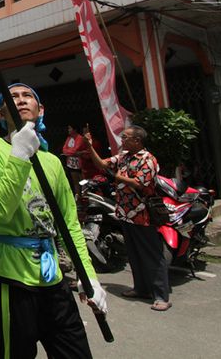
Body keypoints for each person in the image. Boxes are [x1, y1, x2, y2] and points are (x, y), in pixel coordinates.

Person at [0, 84, 106, 359]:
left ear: (40, 109)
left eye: (27, 96)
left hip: (53, 277)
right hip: (11, 279)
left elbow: (69, 225)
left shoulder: (51, 162)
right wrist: (19, 155)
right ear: (0, 113)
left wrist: (88, 275)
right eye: (12, 98)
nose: (20, 100)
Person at [85, 124, 168, 310]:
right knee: (134, 254)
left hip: (142, 215)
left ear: (137, 140)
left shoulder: (148, 159)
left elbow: (140, 183)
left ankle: (161, 296)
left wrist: (116, 176)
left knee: (152, 256)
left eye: (126, 137)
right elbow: (102, 164)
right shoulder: (123, 157)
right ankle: (141, 288)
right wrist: (90, 147)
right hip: (125, 214)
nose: (122, 140)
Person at [61, 124, 87, 195]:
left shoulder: (80, 138)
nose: (68, 130)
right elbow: (64, 150)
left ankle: (84, 198)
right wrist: (74, 153)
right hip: (71, 164)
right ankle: (77, 200)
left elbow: (75, 150)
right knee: (76, 183)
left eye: (70, 128)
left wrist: (70, 152)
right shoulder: (69, 138)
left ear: (75, 130)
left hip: (80, 165)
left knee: (83, 183)